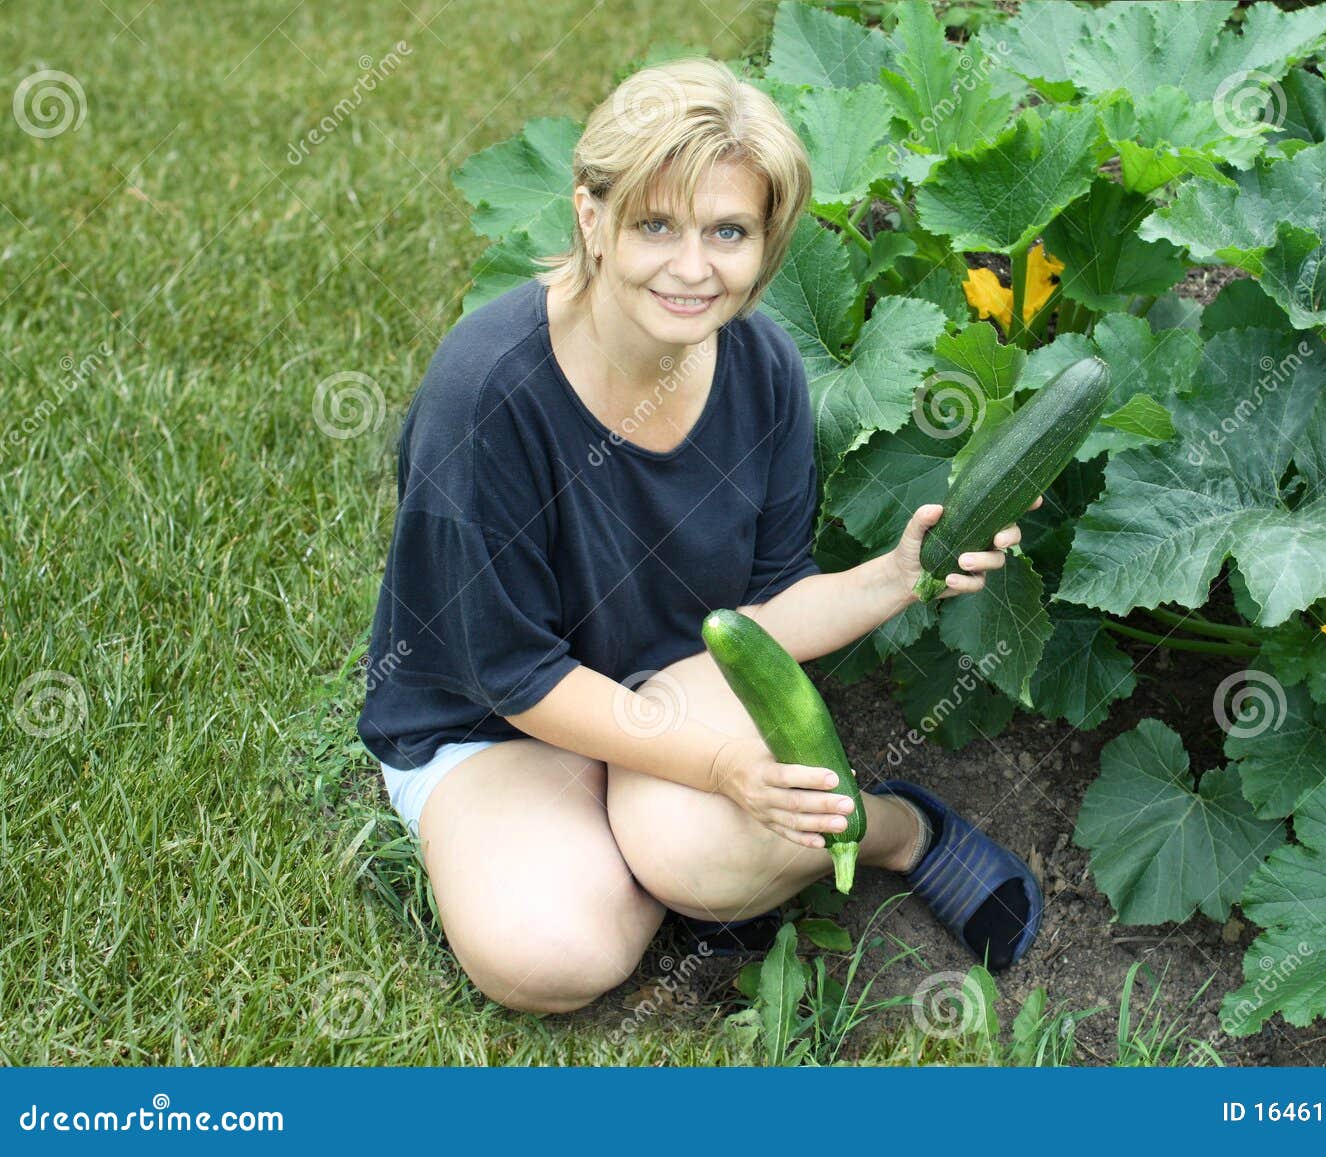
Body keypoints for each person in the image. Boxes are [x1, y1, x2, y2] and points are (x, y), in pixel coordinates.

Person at [356, 56, 1043, 1016]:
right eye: (655, 225)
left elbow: (766, 606)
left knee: (752, 834)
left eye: (729, 231)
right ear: (591, 218)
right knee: (548, 955)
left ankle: (898, 831)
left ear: (767, 242)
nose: (693, 268)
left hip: (672, 678)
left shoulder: (761, 364)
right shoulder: (486, 395)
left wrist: (893, 577)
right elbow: (514, 676)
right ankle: (666, 863)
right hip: (497, 720)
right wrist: (719, 770)